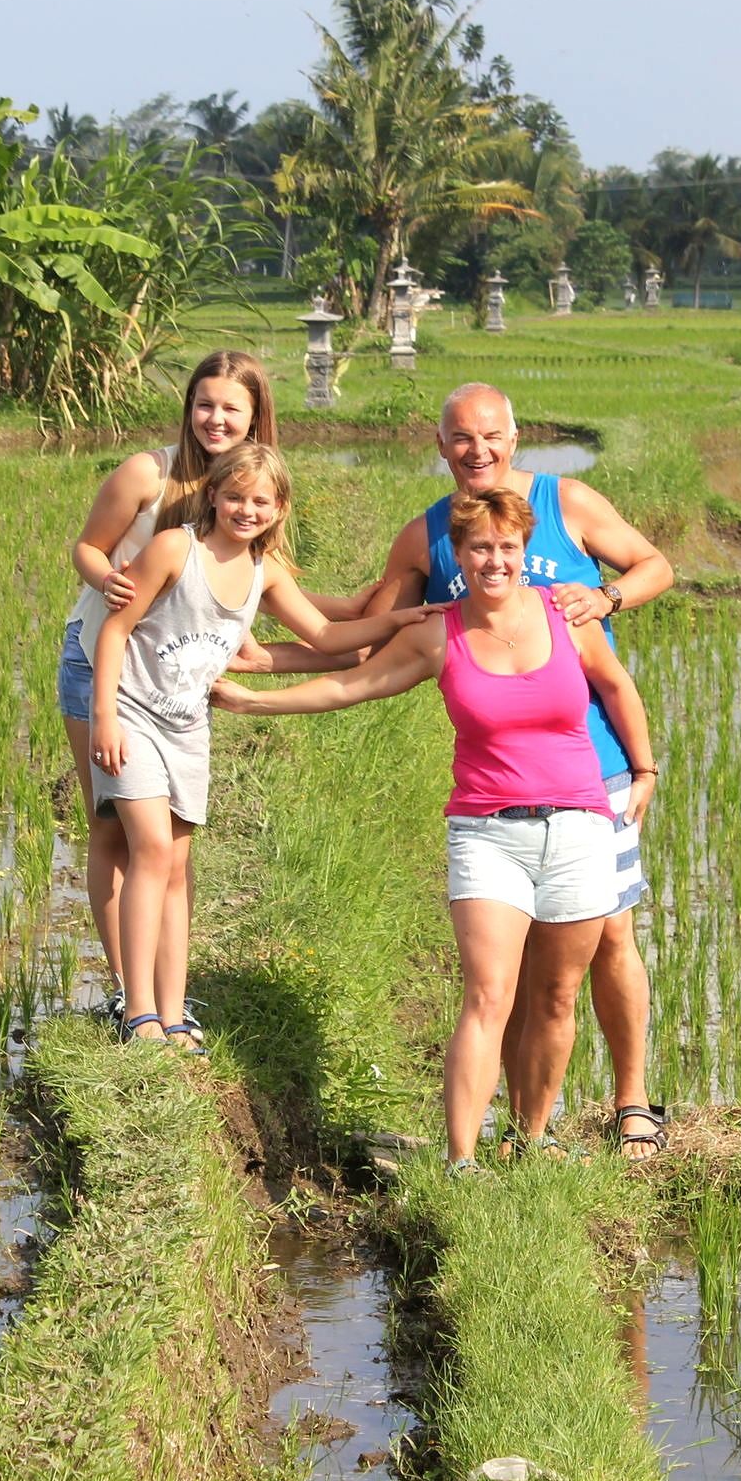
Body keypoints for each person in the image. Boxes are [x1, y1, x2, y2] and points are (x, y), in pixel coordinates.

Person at [215, 486, 657, 1169]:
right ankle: (461, 1162)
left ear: (525, 551)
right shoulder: (437, 633)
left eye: (508, 546)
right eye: (479, 547)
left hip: (580, 825)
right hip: (488, 832)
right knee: (488, 993)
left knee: (557, 994)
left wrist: (646, 769)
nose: (495, 559)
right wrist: (250, 698)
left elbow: (617, 686)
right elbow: (348, 684)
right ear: (457, 553)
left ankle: (530, 1140)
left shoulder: (569, 614)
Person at [374, 383, 675, 1158]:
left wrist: (605, 597)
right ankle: (517, 1130)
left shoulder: (566, 500)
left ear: (515, 439)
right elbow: (365, 627)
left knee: (609, 935)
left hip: (594, 762)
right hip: (503, 777)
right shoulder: (427, 537)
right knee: (511, 974)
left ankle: (632, 1100)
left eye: (491, 436)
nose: (477, 450)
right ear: (440, 448)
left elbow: (655, 565)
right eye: (460, 438)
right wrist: (255, 611)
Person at [89, 441, 435, 1050]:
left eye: (260, 502)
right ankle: (137, 1011)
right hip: (133, 714)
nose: (245, 511)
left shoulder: (263, 571)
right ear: (212, 496)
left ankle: (172, 1013)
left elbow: (326, 633)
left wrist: (398, 621)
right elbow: (115, 629)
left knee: (174, 864)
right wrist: (103, 719)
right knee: (147, 849)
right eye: (234, 498)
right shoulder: (176, 548)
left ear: (279, 509)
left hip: (188, 726)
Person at [60, 350, 357, 1027]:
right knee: (116, 832)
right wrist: (104, 574)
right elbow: (87, 547)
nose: (215, 418)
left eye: (232, 408)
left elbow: (283, 601)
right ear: (188, 405)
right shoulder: (149, 473)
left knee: (166, 852)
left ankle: (163, 1001)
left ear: (256, 419)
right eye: (204, 403)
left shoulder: (246, 496)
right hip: (102, 664)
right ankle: (130, 994)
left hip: (177, 686)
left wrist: (381, 614)